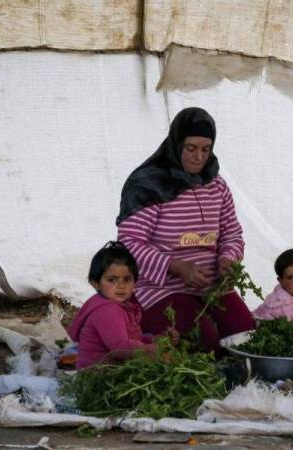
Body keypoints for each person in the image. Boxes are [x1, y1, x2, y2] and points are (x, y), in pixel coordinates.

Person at [116, 107, 255, 354]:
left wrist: (227, 260)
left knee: (245, 336)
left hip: (211, 286)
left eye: (206, 149)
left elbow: (232, 233)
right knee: (204, 342)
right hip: (160, 289)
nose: (198, 157)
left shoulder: (216, 185)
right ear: (176, 143)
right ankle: (144, 327)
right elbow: (129, 244)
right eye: (191, 148)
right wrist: (177, 266)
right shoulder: (149, 185)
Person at [68, 241, 155, 369]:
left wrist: (155, 340)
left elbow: (132, 337)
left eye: (127, 279)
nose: (121, 285)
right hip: (98, 377)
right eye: (112, 280)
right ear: (95, 283)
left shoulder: (121, 305)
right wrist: (153, 352)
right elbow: (120, 349)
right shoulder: (108, 311)